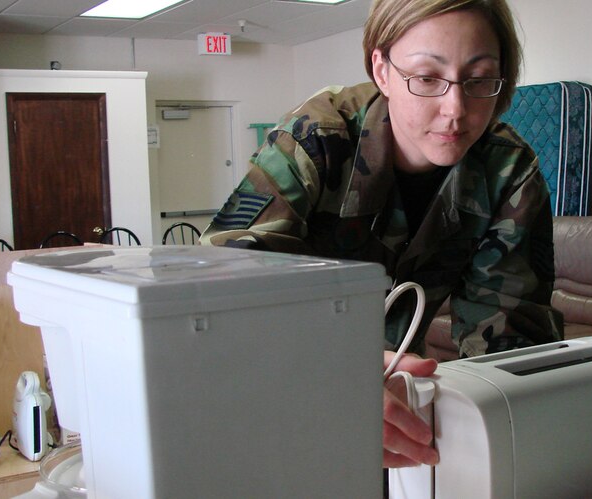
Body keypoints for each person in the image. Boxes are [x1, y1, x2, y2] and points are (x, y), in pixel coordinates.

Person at [200, 0, 559, 468]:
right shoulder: (316, 138)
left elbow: (507, 342)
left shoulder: (506, 168)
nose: (456, 109)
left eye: (478, 80)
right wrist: (330, 368)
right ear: (382, 69)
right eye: (427, 78)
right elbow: (215, 293)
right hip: (280, 389)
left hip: (401, 399)